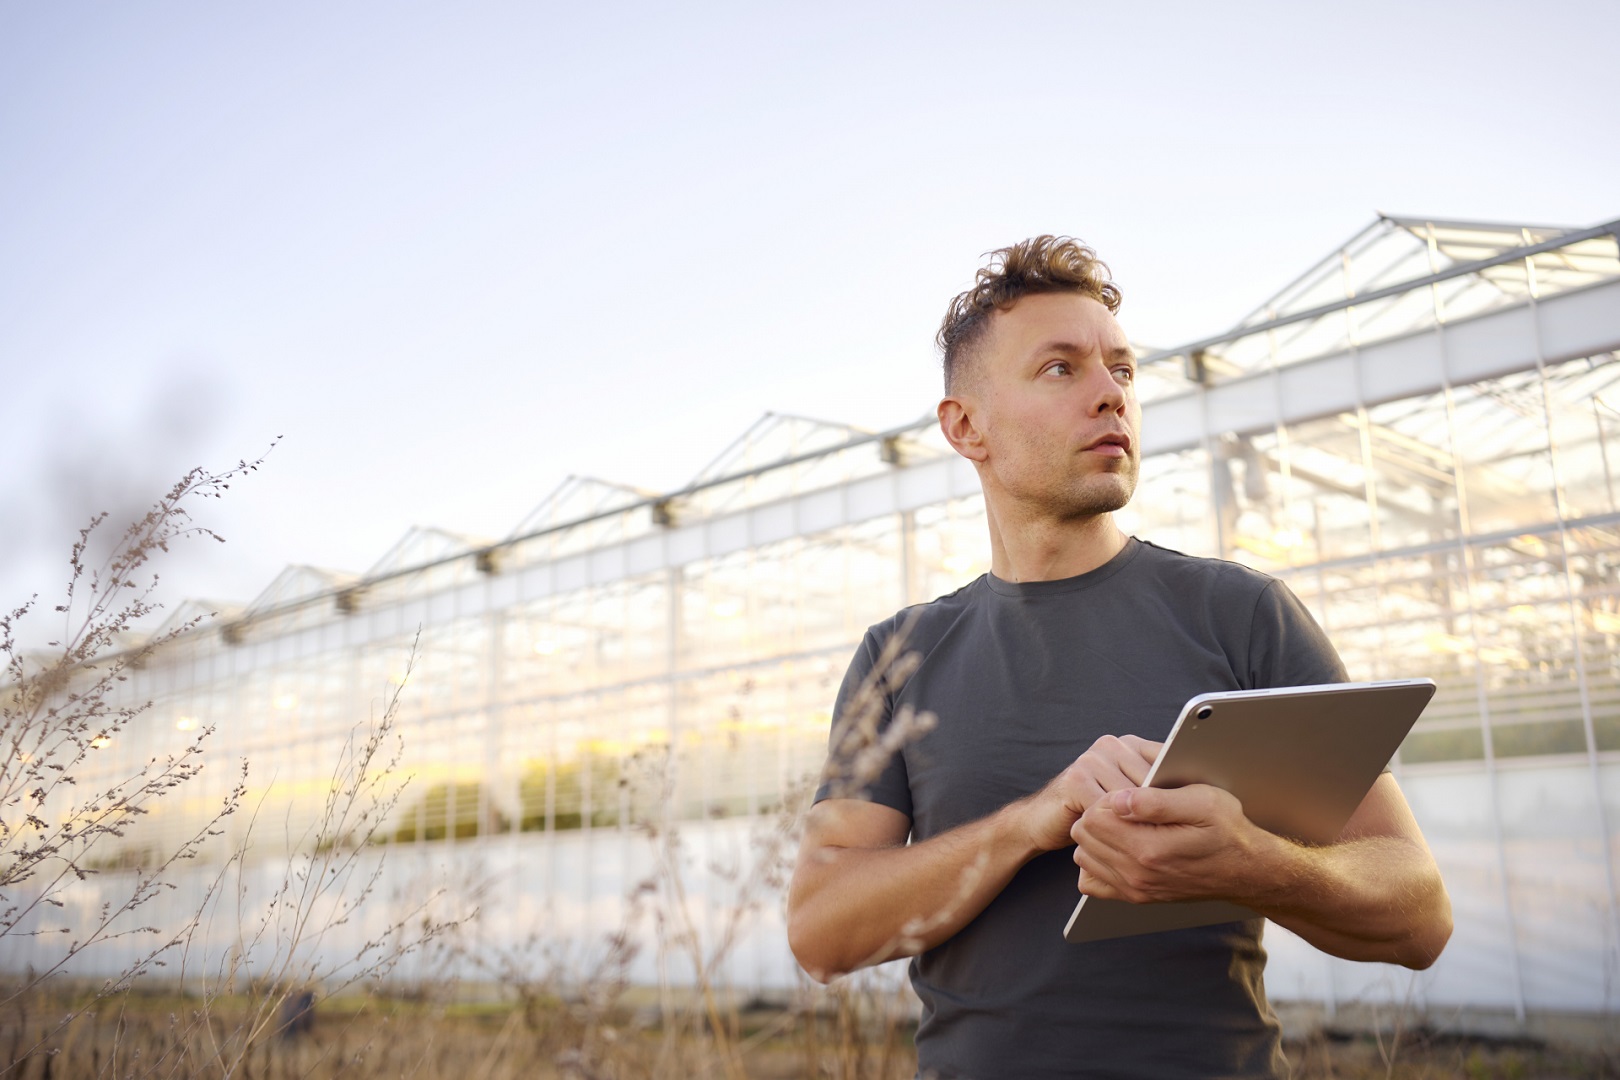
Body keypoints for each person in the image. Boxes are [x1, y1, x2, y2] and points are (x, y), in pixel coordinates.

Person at [785, 236, 1452, 1080]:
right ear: (966, 427)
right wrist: (1031, 823)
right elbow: (820, 933)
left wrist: (1253, 863)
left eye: (1124, 371)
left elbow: (1419, 914)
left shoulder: (1243, 616)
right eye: (1061, 369)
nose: (1110, 395)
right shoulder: (901, 655)